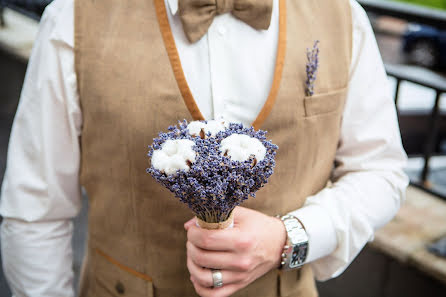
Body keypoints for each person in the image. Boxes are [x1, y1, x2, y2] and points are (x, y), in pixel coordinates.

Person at [0, 0, 408, 296]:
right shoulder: (73, 18)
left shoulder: (342, 16)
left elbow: (380, 170)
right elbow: (35, 209)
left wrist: (293, 236)